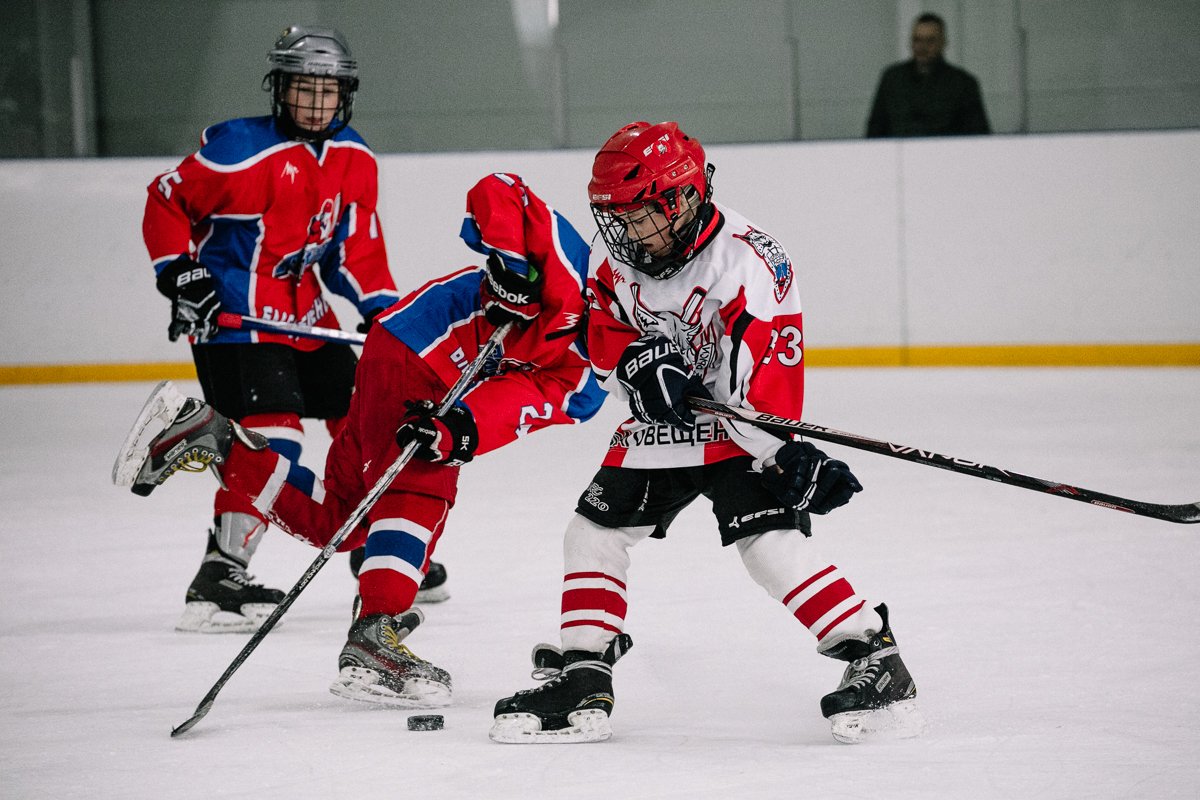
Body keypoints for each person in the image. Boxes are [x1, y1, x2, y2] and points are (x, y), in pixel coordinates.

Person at [489, 121, 923, 745]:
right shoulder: (623, 254)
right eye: (616, 218)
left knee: (770, 549)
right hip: (663, 429)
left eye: (637, 218)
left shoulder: (746, 263)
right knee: (592, 534)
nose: (623, 233)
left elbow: (761, 389)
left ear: (681, 199)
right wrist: (636, 367)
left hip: (735, 427)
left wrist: (787, 456)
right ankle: (584, 669)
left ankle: (875, 657)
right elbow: (598, 330)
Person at [116, 172, 607, 708]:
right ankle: (376, 633)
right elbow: (501, 190)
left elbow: (509, 405)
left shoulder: (585, 387)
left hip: (408, 364)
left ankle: (214, 438)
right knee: (422, 489)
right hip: (415, 350)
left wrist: (455, 429)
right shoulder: (572, 267)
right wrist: (511, 263)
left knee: (341, 519)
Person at [141, 25, 440, 634]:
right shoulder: (237, 149)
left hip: (309, 319)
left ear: (346, 95)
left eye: (327, 91)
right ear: (279, 89)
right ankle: (221, 571)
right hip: (235, 320)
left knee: (371, 422)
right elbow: (165, 200)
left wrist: (384, 311)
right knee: (274, 437)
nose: (314, 103)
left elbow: (353, 251)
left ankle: (369, 548)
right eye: (302, 89)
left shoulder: (355, 156)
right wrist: (181, 275)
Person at [866, 12, 990, 138]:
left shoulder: (963, 84)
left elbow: (978, 137)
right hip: (899, 155)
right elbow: (875, 130)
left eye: (930, 41)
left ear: (943, 43)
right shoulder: (892, 79)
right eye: (917, 40)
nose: (922, 47)